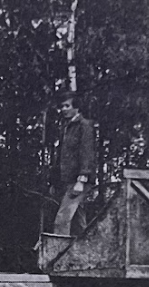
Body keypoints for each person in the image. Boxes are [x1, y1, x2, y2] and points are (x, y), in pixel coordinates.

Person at [50, 93, 96, 237]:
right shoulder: (66, 127)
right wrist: (54, 181)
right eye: (62, 106)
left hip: (78, 181)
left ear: (77, 107)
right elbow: (61, 157)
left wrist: (81, 180)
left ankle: (58, 251)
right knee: (77, 221)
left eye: (67, 106)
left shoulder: (84, 126)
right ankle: (86, 248)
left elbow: (87, 153)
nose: (64, 109)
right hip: (67, 180)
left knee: (61, 220)